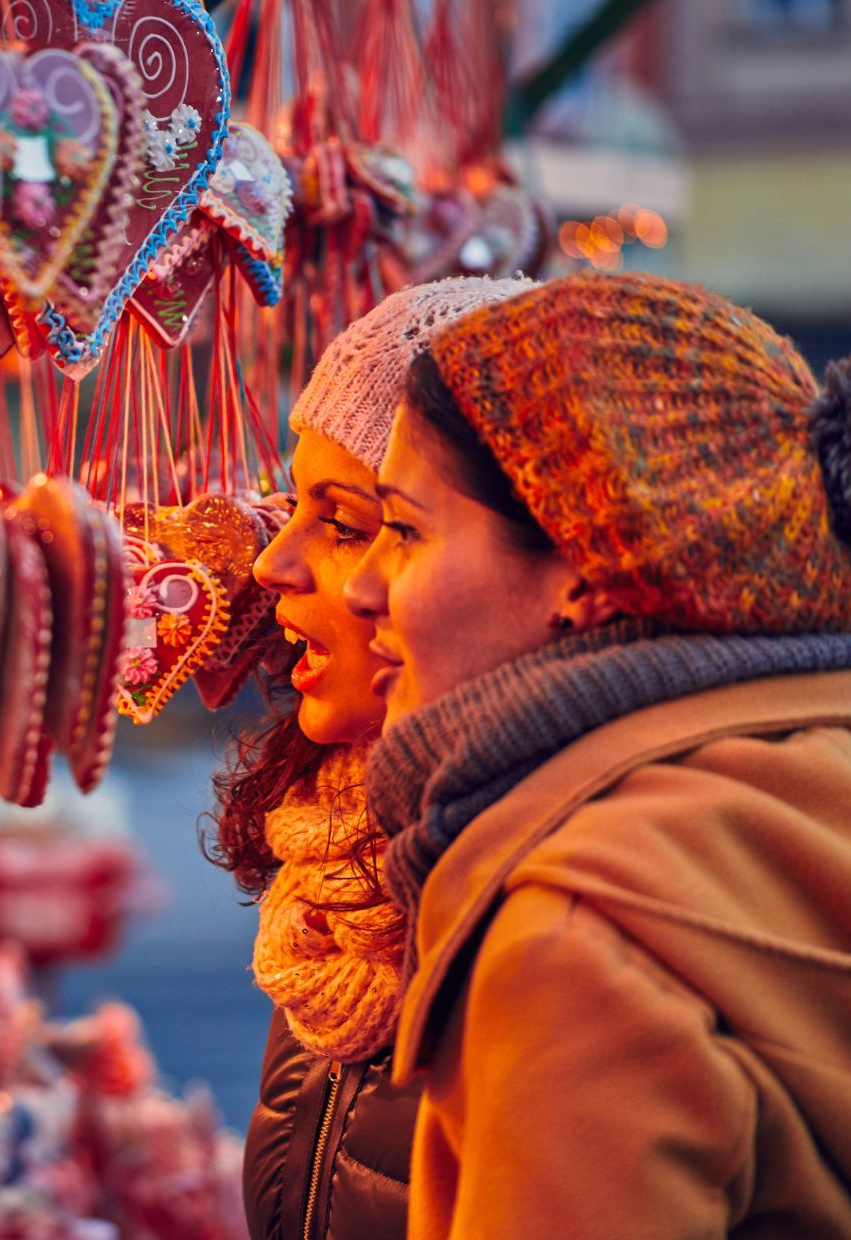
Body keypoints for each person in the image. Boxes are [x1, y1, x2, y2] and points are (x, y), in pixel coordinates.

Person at [341, 270, 851, 1237]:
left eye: (400, 530)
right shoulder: (848, 784)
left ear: (589, 572)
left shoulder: (575, 947)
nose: (361, 587)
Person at [208, 277, 532, 1239]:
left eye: (349, 524)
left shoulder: (533, 910)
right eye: (294, 508)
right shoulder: (331, 890)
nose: (275, 564)